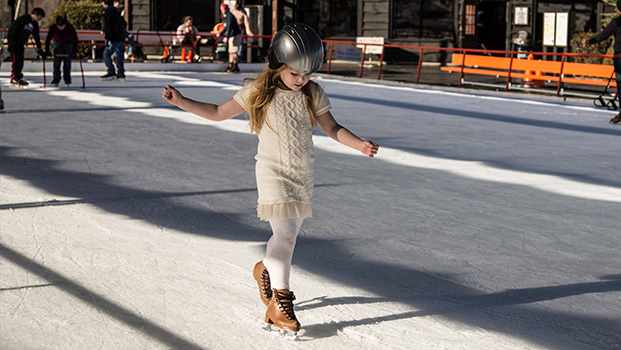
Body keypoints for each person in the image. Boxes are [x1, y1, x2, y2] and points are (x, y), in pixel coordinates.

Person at [162, 23, 379, 334]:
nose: (302, 80)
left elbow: (332, 128)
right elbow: (217, 112)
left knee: (283, 238)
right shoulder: (258, 91)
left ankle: (265, 268)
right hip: (272, 171)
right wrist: (181, 101)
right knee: (287, 237)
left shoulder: (312, 93)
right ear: (278, 64)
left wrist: (359, 144)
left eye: (307, 74)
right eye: (295, 74)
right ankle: (280, 303)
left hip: (302, 173)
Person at [583, 0, 621, 124]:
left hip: (620, 58)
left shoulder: (616, 22)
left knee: (620, 85)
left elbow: (603, 36)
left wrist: (589, 41)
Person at [7, 7, 46, 87]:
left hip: (21, 44)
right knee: (16, 61)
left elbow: (36, 37)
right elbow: (12, 30)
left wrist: (39, 49)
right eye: (40, 17)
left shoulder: (34, 24)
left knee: (20, 61)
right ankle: (14, 78)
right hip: (14, 43)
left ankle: (18, 77)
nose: (40, 19)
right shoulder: (23, 19)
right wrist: (11, 43)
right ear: (35, 14)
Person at [45, 15, 79, 87]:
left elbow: (75, 39)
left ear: (65, 24)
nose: (60, 28)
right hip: (57, 43)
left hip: (68, 44)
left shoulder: (70, 27)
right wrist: (47, 50)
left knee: (67, 63)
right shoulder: (53, 27)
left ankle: (67, 79)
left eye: (62, 26)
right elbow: (48, 38)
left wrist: (74, 50)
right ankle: (56, 79)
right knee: (56, 62)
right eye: (58, 26)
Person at [101, 0, 127, 81]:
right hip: (121, 37)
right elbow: (124, 23)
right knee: (119, 56)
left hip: (113, 38)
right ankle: (121, 74)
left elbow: (107, 26)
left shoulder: (107, 13)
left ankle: (111, 71)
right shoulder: (117, 12)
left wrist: (107, 37)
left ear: (104, 3)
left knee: (106, 54)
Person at [218, 3, 242, 72]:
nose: (222, 11)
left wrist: (226, 37)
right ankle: (230, 65)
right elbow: (226, 27)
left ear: (225, 9)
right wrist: (221, 33)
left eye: (222, 9)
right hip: (232, 35)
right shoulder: (228, 16)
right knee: (230, 51)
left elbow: (229, 27)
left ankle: (235, 65)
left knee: (234, 51)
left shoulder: (229, 16)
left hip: (235, 35)